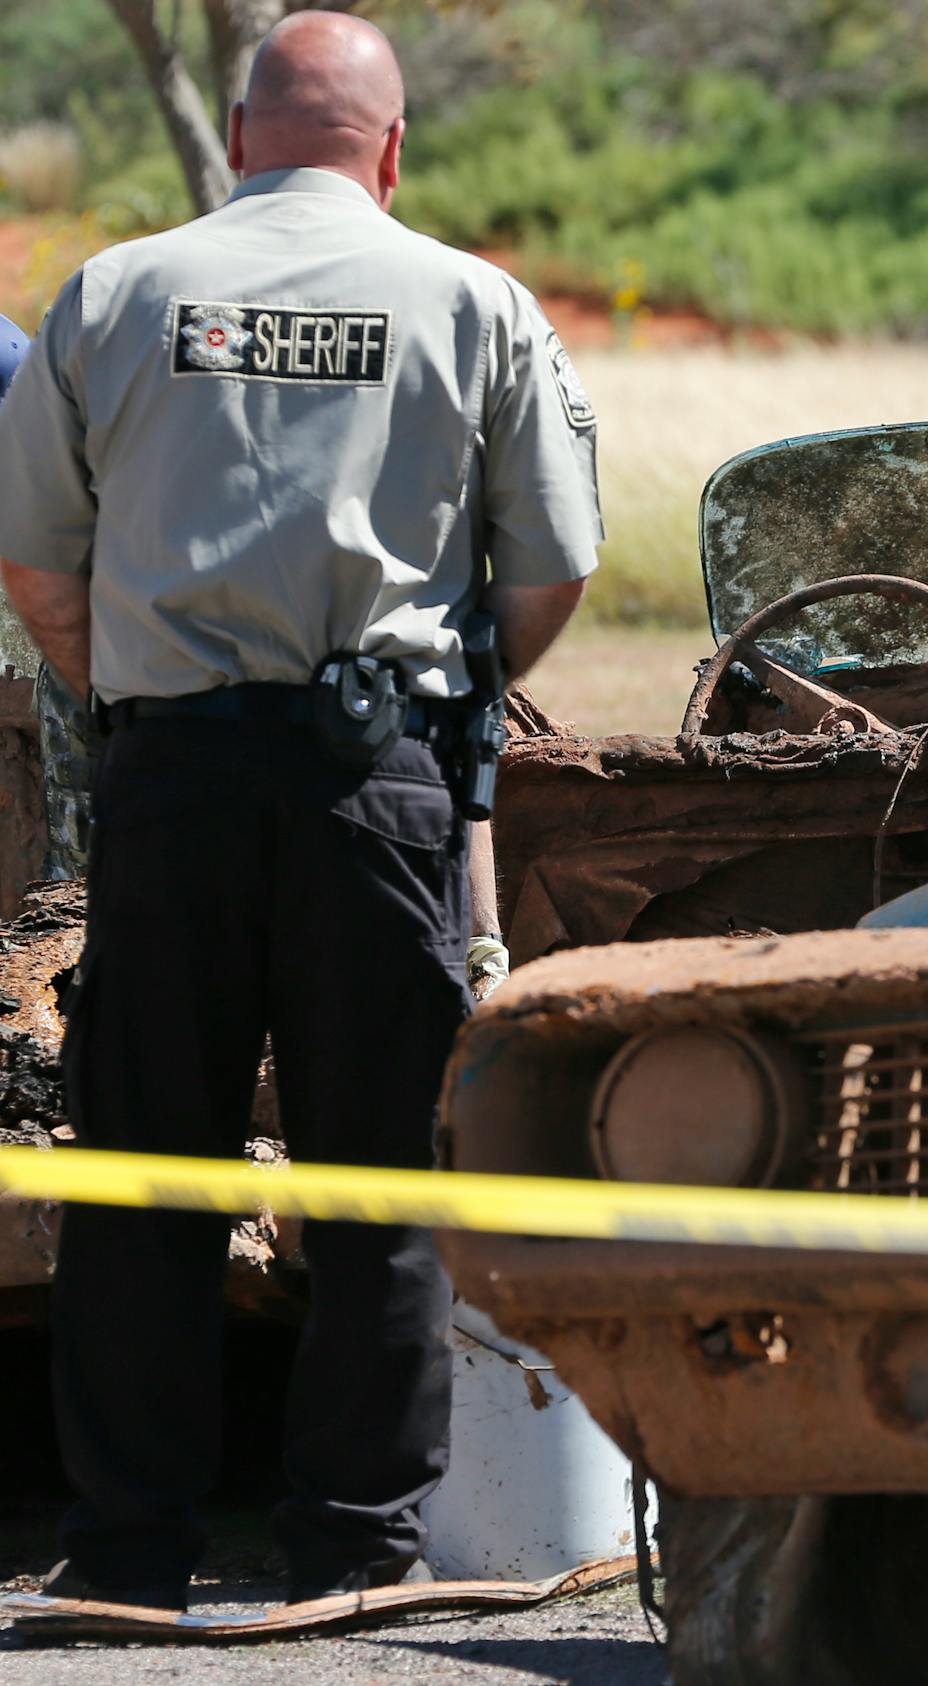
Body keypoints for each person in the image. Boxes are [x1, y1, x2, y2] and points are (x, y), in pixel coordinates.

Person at [0, 11, 601, 1609]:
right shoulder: (478, 304)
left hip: (170, 779)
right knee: (378, 1172)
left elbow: (37, 562)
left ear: (249, 137)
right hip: (375, 780)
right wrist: (441, 703)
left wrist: (126, 695)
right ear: (393, 149)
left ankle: (126, 1552)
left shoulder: (111, 294)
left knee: (145, 1166)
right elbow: (553, 567)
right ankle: (354, 1550)